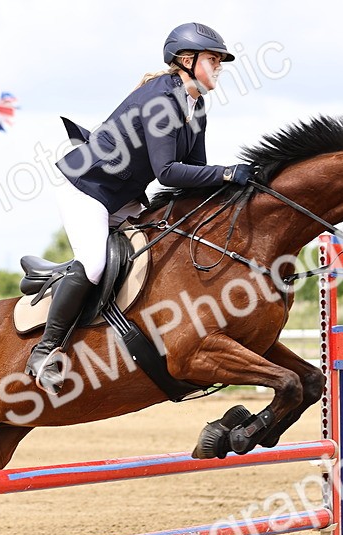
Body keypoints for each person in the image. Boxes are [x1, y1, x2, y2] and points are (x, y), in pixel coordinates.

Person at [24, 22, 257, 395]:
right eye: (213, 59)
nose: (219, 67)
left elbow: (192, 175)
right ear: (186, 59)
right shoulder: (160, 100)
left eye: (220, 60)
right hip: (87, 188)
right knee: (96, 264)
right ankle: (44, 351)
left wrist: (234, 187)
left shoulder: (196, 106)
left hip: (125, 195)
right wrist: (229, 173)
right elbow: (167, 172)